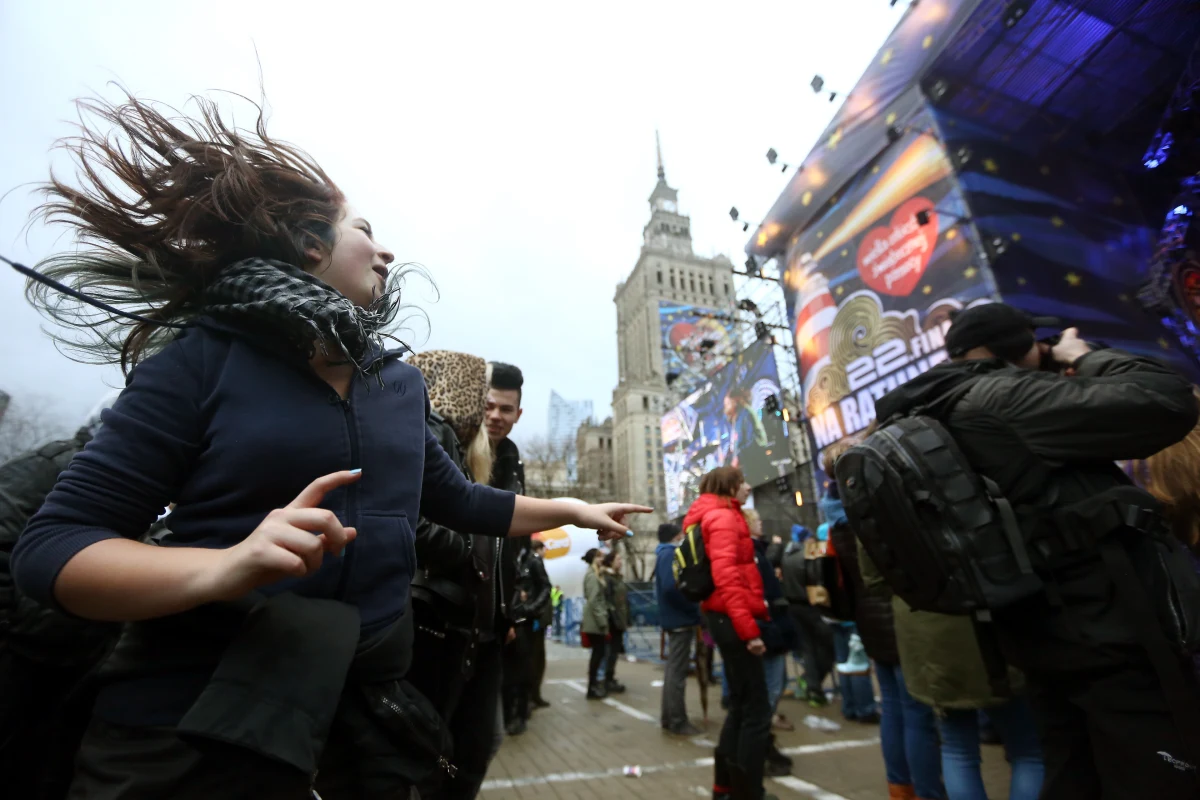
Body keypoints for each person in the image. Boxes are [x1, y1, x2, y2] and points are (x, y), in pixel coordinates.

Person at [9, 92, 649, 800]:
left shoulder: (398, 385)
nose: (387, 251)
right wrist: (226, 567)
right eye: (364, 230)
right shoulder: (200, 360)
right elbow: (55, 550)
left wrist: (568, 509)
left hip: (364, 718)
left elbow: (461, 500)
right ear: (311, 245)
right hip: (195, 724)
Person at [873, 302, 1200, 799]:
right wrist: (1085, 357)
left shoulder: (932, 412)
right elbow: (1168, 399)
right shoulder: (1000, 397)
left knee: (1073, 773)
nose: (1041, 351)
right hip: (1109, 629)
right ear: (1007, 349)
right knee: (1155, 776)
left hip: (1036, 629)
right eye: (1033, 343)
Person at [0, 392, 121, 800]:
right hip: (18, 652)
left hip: (76, 660)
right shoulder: (55, 467)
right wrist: (10, 622)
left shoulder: (129, 490)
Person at [403, 350, 503, 799]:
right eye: (483, 401)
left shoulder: (465, 450)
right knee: (436, 753)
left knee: (461, 748)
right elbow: (411, 519)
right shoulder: (431, 432)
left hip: (464, 629)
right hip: (434, 622)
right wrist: (465, 551)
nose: (490, 413)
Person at [820, 439, 944, 800]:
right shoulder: (872, 514)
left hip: (869, 623)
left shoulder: (836, 520)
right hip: (898, 617)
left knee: (893, 706)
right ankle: (927, 792)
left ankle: (900, 788)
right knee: (917, 711)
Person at [686, 467, 776, 800]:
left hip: (722, 617)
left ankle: (724, 787)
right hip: (730, 618)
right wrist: (749, 631)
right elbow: (727, 580)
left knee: (740, 705)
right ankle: (749, 793)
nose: (749, 486)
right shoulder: (722, 518)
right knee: (756, 710)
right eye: (743, 481)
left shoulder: (715, 515)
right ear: (730, 487)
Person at [744, 507, 799, 777]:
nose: (761, 522)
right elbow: (759, 593)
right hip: (766, 630)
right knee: (769, 691)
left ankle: (762, 748)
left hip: (770, 629)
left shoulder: (755, 551)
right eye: (756, 520)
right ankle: (760, 752)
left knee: (771, 689)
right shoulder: (750, 553)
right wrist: (765, 630)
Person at [654, 522, 703, 736]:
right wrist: (691, 604)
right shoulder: (670, 555)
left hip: (677, 618)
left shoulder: (664, 554)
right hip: (679, 620)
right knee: (677, 671)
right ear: (677, 536)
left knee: (674, 670)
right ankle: (677, 719)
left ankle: (670, 717)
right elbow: (670, 587)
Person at [780, 525, 833, 707]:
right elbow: (816, 578)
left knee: (808, 649)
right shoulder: (809, 553)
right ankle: (813, 683)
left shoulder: (787, 555)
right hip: (812, 606)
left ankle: (812, 688)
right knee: (829, 647)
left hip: (793, 607)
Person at [501, 540, 550, 736]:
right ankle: (507, 715)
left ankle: (519, 716)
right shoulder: (505, 553)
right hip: (504, 623)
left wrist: (530, 609)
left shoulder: (532, 561)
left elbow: (545, 588)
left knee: (522, 672)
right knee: (506, 675)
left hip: (525, 625)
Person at [580, 548, 611, 699]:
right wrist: (602, 621)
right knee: (597, 655)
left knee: (598, 655)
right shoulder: (592, 576)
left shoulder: (595, 573)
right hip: (595, 622)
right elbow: (594, 601)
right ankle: (591, 688)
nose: (602, 560)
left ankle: (593, 687)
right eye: (599, 557)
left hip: (594, 620)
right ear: (593, 559)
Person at [528, 539, 553, 709]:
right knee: (536, 659)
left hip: (536, 618)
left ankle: (532, 695)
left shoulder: (529, 561)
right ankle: (533, 695)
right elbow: (545, 587)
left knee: (534, 658)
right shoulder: (535, 562)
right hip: (536, 619)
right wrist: (534, 610)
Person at [601, 549, 630, 694]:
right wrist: (613, 618)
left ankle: (610, 678)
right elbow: (607, 600)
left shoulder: (618, 578)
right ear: (611, 561)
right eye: (618, 559)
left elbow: (623, 601)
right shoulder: (608, 578)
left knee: (614, 652)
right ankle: (607, 680)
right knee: (610, 652)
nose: (620, 562)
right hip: (613, 622)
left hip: (620, 620)